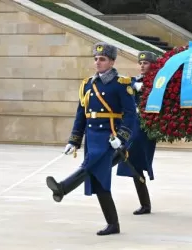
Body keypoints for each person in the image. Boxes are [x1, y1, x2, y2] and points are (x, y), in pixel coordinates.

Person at [45, 42, 137, 236]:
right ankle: (113, 224)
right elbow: (82, 114)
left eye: (102, 59)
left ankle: (63, 187)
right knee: (99, 180)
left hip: (109, 138)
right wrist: (74, 140)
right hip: (92, 136)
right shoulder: (88, 84)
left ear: (111, 61)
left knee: (90, 165)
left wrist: (122, 137)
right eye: (96, 59)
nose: (98, 62)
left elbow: (130, 114)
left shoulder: (121, 84)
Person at [114, 51, 158, 215]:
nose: (142, 65)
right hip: (133, 124)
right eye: (141, 63)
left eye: (146, 63)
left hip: (146, 126)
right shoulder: (133, 81)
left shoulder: (158, 82)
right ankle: (145, 204)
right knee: (134, 165)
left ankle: (145, 204)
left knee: (129, 155)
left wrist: (147, 86)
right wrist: (133, 85)